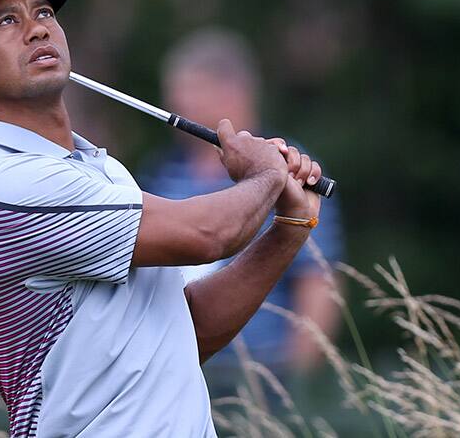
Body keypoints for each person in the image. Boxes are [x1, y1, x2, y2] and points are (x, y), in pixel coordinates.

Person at [0, 0, 324, 437]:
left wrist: (289, 230)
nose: (37, 31)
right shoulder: (6, 181)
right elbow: (208, 235)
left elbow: (184, 335)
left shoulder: (102, 169)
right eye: (7, 21)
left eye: (44, 14)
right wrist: (266, 174)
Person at [138, 29, 344, 388]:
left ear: (233, 92)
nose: (176, 101)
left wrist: (293, 382)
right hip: (174, 371)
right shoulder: (161, 170)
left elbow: (318, 282)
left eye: (191, 89)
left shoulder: (291, 168)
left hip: (262, 378)